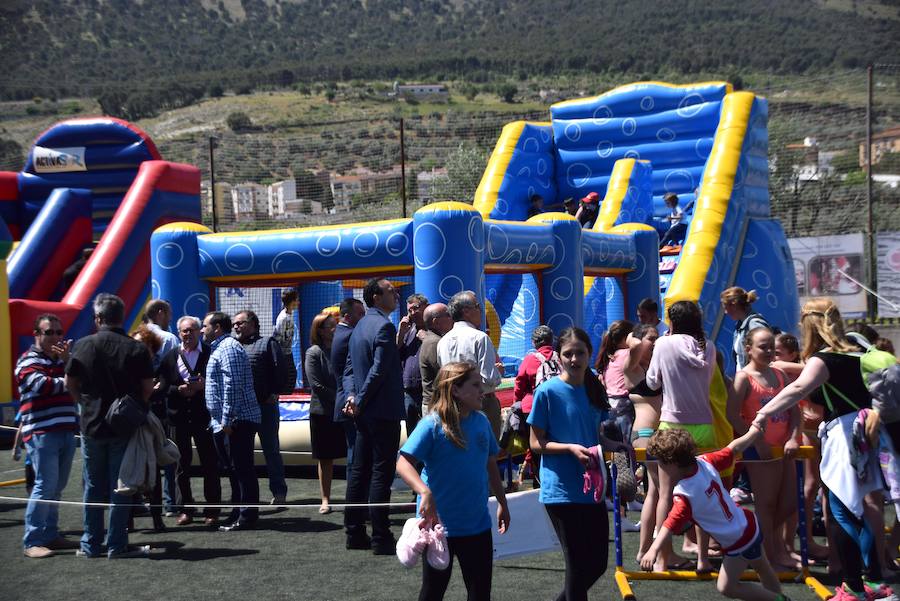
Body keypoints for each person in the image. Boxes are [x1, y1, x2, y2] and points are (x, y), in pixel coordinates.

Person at [750, 298, 895, 600]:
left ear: (809, 325)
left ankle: (853, 587)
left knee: (842, 511)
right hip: (868, 432)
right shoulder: (858, 352)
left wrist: (763, 414)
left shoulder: (823, 359)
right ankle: (870, 580)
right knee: (863, 509)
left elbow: (798, 389)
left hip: (844, 437)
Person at [396, 361, 510, 601]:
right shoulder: (432, 424)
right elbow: (403, 463)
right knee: (432, 592)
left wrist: (502, 502)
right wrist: (424, 492)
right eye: (476, 385)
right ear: (455, 389)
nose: (483, 390)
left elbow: (490, 464)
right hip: (439, 529)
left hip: (477, 525)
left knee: (480, 594)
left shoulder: (481, 422)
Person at [528, 327, 628, 601]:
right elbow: (536, 444)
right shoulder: (547, 392)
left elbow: (595, 437)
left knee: (596, 564)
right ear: (558, 357)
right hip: (560, 489)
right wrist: (570, 449)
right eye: (568, 354)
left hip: (592, 487)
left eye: (580, 353)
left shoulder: (594, 388)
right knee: (576, 565)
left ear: (589, 353)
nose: (574, 359)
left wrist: (616, 446)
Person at [640, 428, 789, 601]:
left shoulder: (684, 494)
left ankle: (780, 600)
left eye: (661, 463)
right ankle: (779, 597)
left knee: (726, 587)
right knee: (763, 568)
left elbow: (669, 525)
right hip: (749, 523)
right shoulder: (705, 461)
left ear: (672, 464)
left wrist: (652, 550)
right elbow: (733, 449)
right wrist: (752, 433)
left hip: (738, 540)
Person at [65, 293, 155, 558]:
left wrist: (83, 405)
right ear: (122, 317)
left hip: (91, 425)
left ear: (98, 318)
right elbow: (147, 388)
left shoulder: (83, 345)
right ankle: (117, 544)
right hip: (124, 427)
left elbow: (70, 384)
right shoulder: (136, 348)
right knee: (122, 486)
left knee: (92, 486)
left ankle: (90, 543)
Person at [645, 300, 716, 572]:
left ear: (672, 322)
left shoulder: (663, 344)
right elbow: (707, 382)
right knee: (702, 494)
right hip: (704, 425)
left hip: (672, 424)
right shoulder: (707, 347)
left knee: (665, 494)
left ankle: (663, 558)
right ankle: (703, 559)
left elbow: (652, 382)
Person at [342, 278, 406, 554]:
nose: (396, 295)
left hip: (363, 412)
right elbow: (379, 371)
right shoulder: (383, 326)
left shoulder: (358, 328)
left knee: (359, 470)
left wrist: (352, 397)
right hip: (381, 411)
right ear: (377, 297)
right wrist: (361, 398)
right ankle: (381, 535)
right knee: (381, 472)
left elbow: (347, 371)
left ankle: (354, 531)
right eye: (391, 291)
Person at [729, 327, 801, 572]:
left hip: (785, 450)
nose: (769, 351)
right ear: (748, 349)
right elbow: (733, 415)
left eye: (772, 346)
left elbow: (795, 411)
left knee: (790, 501)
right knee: (767, 504)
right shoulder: (743, 377)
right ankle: (769, 558)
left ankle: (764, 546)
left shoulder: (780, 374)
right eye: (763, 346)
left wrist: (793, 438)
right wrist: (756, 441)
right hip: (760, 452)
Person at [15, 314, 79, 558]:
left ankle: (50, 534)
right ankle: (32, 540)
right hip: (42, 432)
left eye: (59, 332)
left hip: (65, 430)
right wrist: (69, 374)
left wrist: (68, 365)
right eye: (49, 332)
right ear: (37, 335)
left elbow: (79, 383)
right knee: (44, 485)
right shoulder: (26, 361)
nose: (55, 336)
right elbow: (44, 385)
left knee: (57, 487)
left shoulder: (64, 361)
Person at [770, 332, 830, 563]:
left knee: (822, 487)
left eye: (777, 351)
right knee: (808, 485)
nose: (772, 356)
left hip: (820, 430)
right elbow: (778, 364)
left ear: (793, 353)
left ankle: (809, 541)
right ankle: (793, 542)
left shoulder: (806, 368)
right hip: (805, 433)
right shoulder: (788, 369)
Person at [157, 315, 221, 527]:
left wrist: (204, 387)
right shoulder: (170, 357)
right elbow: (162, 387)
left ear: (199, 332)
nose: (188, 334)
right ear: (179, 333)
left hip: (205, 417)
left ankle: (212, 510)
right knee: (180, 465)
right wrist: (179, 390)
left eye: (192, 330)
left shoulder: (211, 354)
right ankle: (185, 509)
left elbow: (220, 381)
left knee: (210, 463)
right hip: (178, 419)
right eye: (184, 331)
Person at [202, 310, 261, 532]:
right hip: (228, 421)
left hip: (238, 421)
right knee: (235, 469)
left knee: (242, 469)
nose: (202, 330)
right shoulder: (222, 348)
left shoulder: (228, 348)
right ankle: (238, 512)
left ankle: (246, 516)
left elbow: (232, 385)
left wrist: (226, 420)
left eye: (205, 326)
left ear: (217, 328)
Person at [233, 309, 288, 505]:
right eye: (234, 324)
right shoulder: (233, 346)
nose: (236, 326)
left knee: (271, 449)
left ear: (254, 324)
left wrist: (274, 392)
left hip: (265, 407)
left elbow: (280, 370)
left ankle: (279, 492)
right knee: (243, 454)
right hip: (242, 410)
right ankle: (246, 495)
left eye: (241, 322)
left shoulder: (267, 343)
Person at [437, 290, 503, 441]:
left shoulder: (443, 341)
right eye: (477, 306)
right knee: (487, 451)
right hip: (482, 402)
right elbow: (489, 379)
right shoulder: (480, 338)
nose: (481, 311)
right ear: (466, 311)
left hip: (453, 403)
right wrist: (498, 371)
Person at [623, 324, 662, 563]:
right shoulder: (632, 367)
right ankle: (649, 546)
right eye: (652, 338)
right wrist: (633, 338)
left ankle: (652, 543)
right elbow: (635, 344)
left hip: (661, 433)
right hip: (645, 433)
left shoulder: (655, 367)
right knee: (656, 491)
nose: (656, 342)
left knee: (657, 492)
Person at [304, 311, 346, 514]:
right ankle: (325, 499)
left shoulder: (341, 349)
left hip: (345, 410)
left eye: (335, 324)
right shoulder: (313, 352)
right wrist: (342, 398)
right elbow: (316, 385)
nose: (335, 328)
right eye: (330, 325)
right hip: (323, 412)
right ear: (320, 331)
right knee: (325, 458)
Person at [512, 325, 556, 485]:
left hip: (532, 407)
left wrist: (516, 401)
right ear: (552, 340)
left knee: (535, 444)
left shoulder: (530, 359)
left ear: (533, 342)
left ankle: (539, 480)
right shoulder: (560, 357)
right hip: (557, 406)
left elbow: (519, 382)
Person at [331, 297, 366, 463]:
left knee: (355, 450)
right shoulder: (351, 335)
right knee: (357, 453)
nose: (364, 318)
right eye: (360, 314)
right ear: (346, 316)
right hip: (350, 402)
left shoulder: (339, 333)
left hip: (345, 400)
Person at [595, 320, 641, 443]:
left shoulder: (610, 356)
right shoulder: (627, 354)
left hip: (610, 402)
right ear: (627, 337)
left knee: (614, 442)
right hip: (624, 402)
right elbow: (637, 345)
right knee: (626, 441)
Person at [398, 293, 429, 436]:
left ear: (426, 308)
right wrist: (401, 333)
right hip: (409, 391)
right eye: (409, 310)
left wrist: (426, 339)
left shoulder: (435, 330)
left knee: (429, 431)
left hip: (427, 391)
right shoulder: (408, 330)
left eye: (415, 308)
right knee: (412, 434)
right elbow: (395, 354)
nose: (412, 313)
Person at [721, 286, 771, 371]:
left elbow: (766, 351)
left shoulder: (754, 324)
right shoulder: (740, 326)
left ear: (734, 306)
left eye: (726, 307)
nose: (726, 312)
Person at [419, 302, 454, 414]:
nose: (451, 317)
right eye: (447, 315)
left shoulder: (433, 339)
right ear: (436, 322)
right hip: (436, 406)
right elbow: (445, 373)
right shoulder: (434, 343)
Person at [274, 288, 299, 393]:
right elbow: (278, 336)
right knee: (289, 377)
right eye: (297, 300)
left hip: (287, 352)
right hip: (283, 353)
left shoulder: (289, 314)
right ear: (292, 301)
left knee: (292, 375)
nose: (298, 302)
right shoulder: (283, 318)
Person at [143, 299, 180, 369]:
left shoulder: (135, 336)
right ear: (161, 314)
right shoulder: (169, 339)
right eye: (170, 314)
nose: (170, 319)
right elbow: (175, 368)